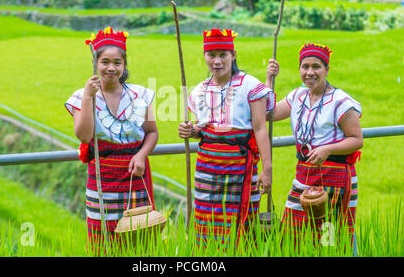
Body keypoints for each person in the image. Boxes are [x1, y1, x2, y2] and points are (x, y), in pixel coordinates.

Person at [178, 29, 275, 245]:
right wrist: (190, 131)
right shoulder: (199, 91)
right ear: (204, 56)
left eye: (223, 54)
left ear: (233, 55)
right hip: (207, 168)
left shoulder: (251, 86)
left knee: (242, 224)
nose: (217, 61)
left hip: (240, 166)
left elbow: (260, 129)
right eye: (212, 55)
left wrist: (267, 170)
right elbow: (203, 129)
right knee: (206, 221)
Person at [65, 27, 159, 250]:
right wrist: (89, 96)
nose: (111, 68)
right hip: (102, 177)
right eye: (105, 62)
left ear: (124, 65)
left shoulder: (139, 95)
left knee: (138, 238)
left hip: (135, 174)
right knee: (103, 240)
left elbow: (152, 132)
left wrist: (141, 155)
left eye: (117, 62)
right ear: (95, 63)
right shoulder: (81, 96)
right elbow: (84, 135)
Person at [266, 43, 363, 248]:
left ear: (327, 69)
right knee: (291, 233)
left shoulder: (340, 102)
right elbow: (268, 114)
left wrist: (328, 149)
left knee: (329, 240)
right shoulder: (297, 96)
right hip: (304, 173)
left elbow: (356, 139)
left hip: (335, 178)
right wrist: (269, 79)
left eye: (316, 67)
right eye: (305, 66)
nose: (310, 72)